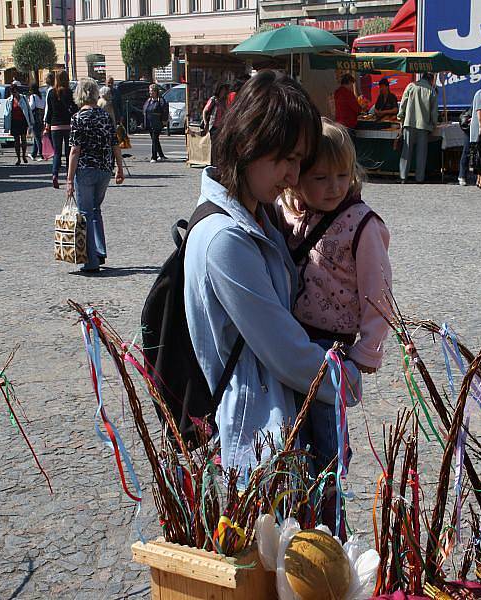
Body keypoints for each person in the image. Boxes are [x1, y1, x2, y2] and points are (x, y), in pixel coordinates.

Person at [183, 69, 362, 479]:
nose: (293, 176)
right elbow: (286, 353)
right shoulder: (224, 239)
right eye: (286, 158)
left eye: (299, 161)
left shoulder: (259, 215)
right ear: (249, 142)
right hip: (253, 445)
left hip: (280, 428)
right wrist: (347, 378)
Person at [278, 117, 391, 533]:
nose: (334, 186)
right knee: (295, 444)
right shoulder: (295, 215)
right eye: (321, 177)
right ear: (298, 179)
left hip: (334, 353)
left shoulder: (363, 226)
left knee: (328, 451)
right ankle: (300, 527)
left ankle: (332, 532)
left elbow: (378, 298)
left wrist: (363, 357)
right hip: (294, 345)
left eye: (343, 175)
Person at [65, 78, 125, 273]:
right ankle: (100, 251)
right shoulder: (105, 116)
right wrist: (120, 168)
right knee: (96, 210)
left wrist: (68, 179)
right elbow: (114, 143)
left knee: (85, 213)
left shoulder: (77, 118)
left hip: (85, 170)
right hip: (104, 169)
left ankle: (90, 261)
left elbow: (75, 150)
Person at [397, 72, 438, 183]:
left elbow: (403, 103)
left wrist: (400, 116)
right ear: (431, 79)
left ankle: (403, 177)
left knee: (406, 151)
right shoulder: (431, 91)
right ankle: (419, 178)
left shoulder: (411, 86)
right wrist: (434, 123)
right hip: (423, 125)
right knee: (421, 153)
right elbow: (434, 112)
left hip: (409, 123)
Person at [46, 71, 78, 189]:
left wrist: (47, 125)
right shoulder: (69, 92)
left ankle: (55, 174)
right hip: (68, 125)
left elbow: (49, 111)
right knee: (69, 152)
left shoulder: (51, 93)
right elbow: (74, 108)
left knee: (57, 153)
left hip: (55, 125)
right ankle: (70, 177)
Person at [3, 83, 33, 165]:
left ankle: (23, 155)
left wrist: (31, 121)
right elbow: (6, 113)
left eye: (15, 92)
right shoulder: (9, 100)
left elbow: (28, 110)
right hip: (14, 122)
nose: (14, 94)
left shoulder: (23, 98)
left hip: (23, 121)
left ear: (17, 91)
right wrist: (6, 125)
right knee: (16, 141)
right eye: (12, 92)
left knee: (23, 139)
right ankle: (18, 158)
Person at [202, 82, 229, 164]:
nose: (224, 92)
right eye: (222, 90)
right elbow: (205, 111)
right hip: (214, 126)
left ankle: (218, 163)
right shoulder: (214, 99)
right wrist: (206, 123)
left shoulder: (224, 101)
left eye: (225, 91)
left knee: (221, 145)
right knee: (214, 146)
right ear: (219, 90)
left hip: (222, 126)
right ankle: (213, 163)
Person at [143, 84, 168, 163]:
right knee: (155, 140)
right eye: (149, 91)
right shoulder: (148, 100)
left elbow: (164, 110)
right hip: (149, 122)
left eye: (151, 91)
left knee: (154, 139)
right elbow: (144, 109)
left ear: (156, 91)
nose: (150, 93)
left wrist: (164, 120)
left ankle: (154, 157)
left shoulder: (160, 100)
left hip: (157, 122)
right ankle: (161, 155)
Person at [28, 84, 46, 161]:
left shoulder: (33, 97)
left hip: (35, 117)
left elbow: (31, 106)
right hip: (41, 117)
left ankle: (42, 154)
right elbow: (44, 105)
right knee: (37, 136)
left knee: (37, 136)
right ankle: (33, 154)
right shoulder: (41, 96)